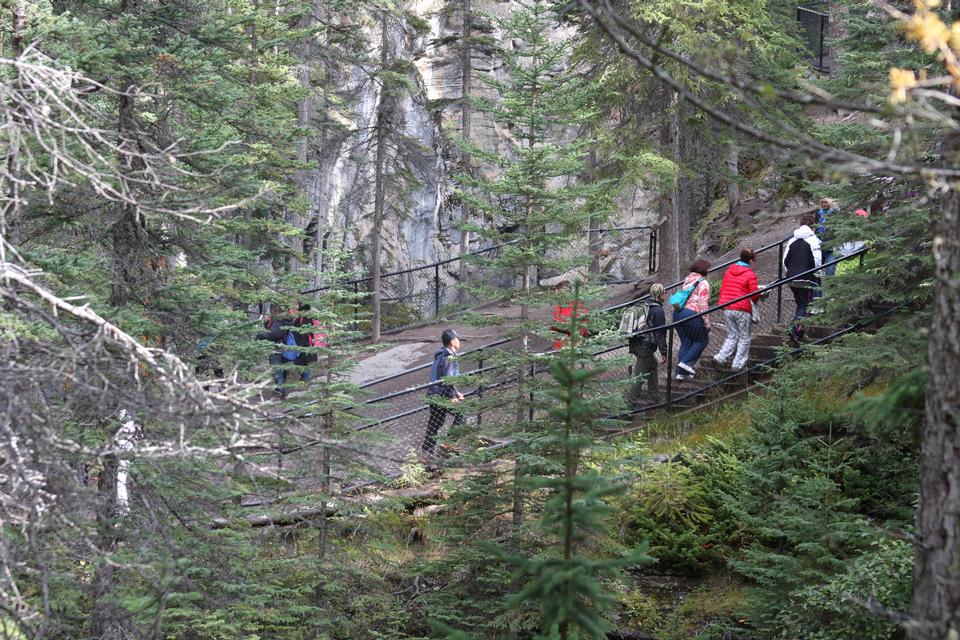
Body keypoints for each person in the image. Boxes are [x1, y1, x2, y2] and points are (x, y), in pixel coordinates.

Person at [713, 249, 762, 372]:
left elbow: (723, 288)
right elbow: (754, 295)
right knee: (744, 337)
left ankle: (720, 357)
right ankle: (738, 364)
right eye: (753, 260)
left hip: (727, 306)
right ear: (750, 260)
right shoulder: (750, 274)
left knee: (732, 335)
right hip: (742, 309)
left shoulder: (729, 271)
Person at [422, 328, 465, 456]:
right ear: (452, 341)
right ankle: (449, 444)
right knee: (462, 414)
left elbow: (442, 376)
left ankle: (426, 453)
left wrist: (456, 392)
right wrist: (452, 395)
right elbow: (448, 378)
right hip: (442, 394)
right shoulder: (449, 357)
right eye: (457, 339)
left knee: (436, 422)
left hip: (433, 393)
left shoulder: (441, 355)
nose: (459, 341)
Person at [257, 302, 312, 398]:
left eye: (272, 309)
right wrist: (267, 323)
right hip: (285, 350)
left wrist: (259, 334)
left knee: (277, 372)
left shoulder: (280, 321)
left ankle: (280, 391)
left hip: (277, 350)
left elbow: (273, 334)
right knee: (283, 371)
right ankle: (281, 389)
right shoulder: (290, 321)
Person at [626, 283, 668, 406]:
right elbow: (660, 333)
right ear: (659, 294)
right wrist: (663, 351)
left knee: (653, 365)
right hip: (645, 347)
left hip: (636, 343)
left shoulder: (644, 304)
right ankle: (629, 406)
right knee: (639, 377)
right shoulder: (658, 310)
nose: (666, 295)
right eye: (664, 292)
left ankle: (655, 397)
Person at [783, 216, 822, 341]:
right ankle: (794, 329)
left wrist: (790, 272)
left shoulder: (792, 240)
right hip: (807, 278)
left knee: (801, 304)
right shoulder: (813, 240)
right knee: (805, 305)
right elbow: (817, 261)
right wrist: (817, 273)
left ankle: (797, 330)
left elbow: (785, 260)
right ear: (813, 227)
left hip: (792, 278)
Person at [674, 259, 712, 380]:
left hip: (678, 313)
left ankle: (681, 373)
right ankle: (685, 364)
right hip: (692, 314)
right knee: (702, 340)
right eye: (708, 269)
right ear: (704, 269)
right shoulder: (703, 282)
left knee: (686, 342)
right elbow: (703, 304)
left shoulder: (687, 280)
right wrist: (706, 321)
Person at [551, 282, 589, 350]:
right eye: (556, 295)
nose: (557, 297)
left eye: (560, 295)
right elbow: (555, 323)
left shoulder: (578, 307)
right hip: (558, 343)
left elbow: (583, 329)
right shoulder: (558, 306)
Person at [816, 197, 838, 277]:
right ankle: (816, 287)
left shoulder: (834, 213)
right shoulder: (818, 213)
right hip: (819, 245)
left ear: (830, 203)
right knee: (816, 269)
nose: (824, 204)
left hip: (831, 245)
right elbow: (815, 227)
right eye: (822, 202)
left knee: (830, 269)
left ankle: (831, 287)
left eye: (826, 202)